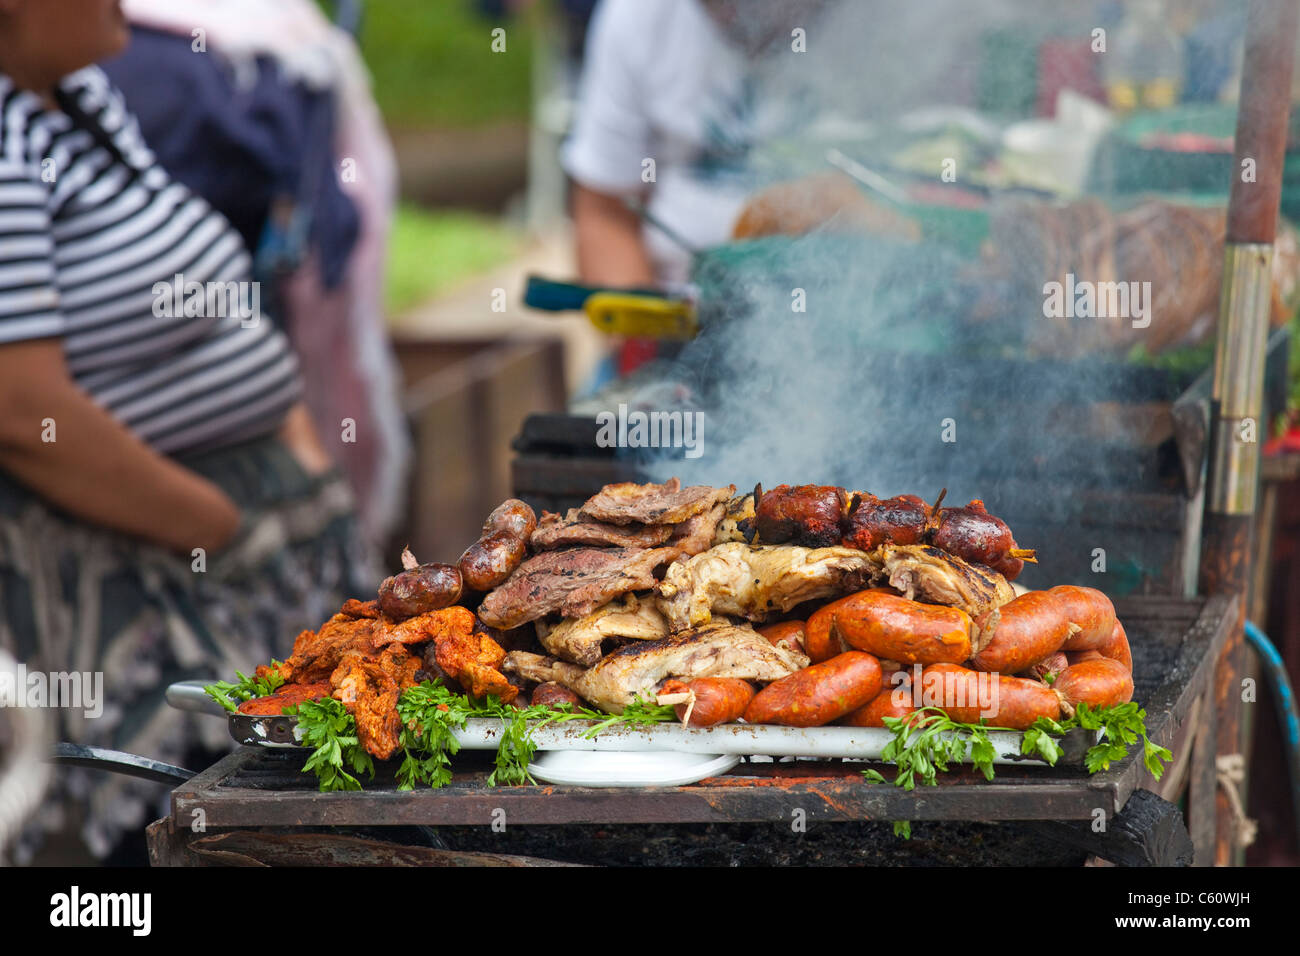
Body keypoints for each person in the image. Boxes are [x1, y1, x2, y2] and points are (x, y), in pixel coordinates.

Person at [0, 0, 375, 861]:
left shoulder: (80, 98)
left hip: (239, 558)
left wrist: (301, 467)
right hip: (134, 577)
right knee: (160, 842)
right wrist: (222, 527)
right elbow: (24, 416)